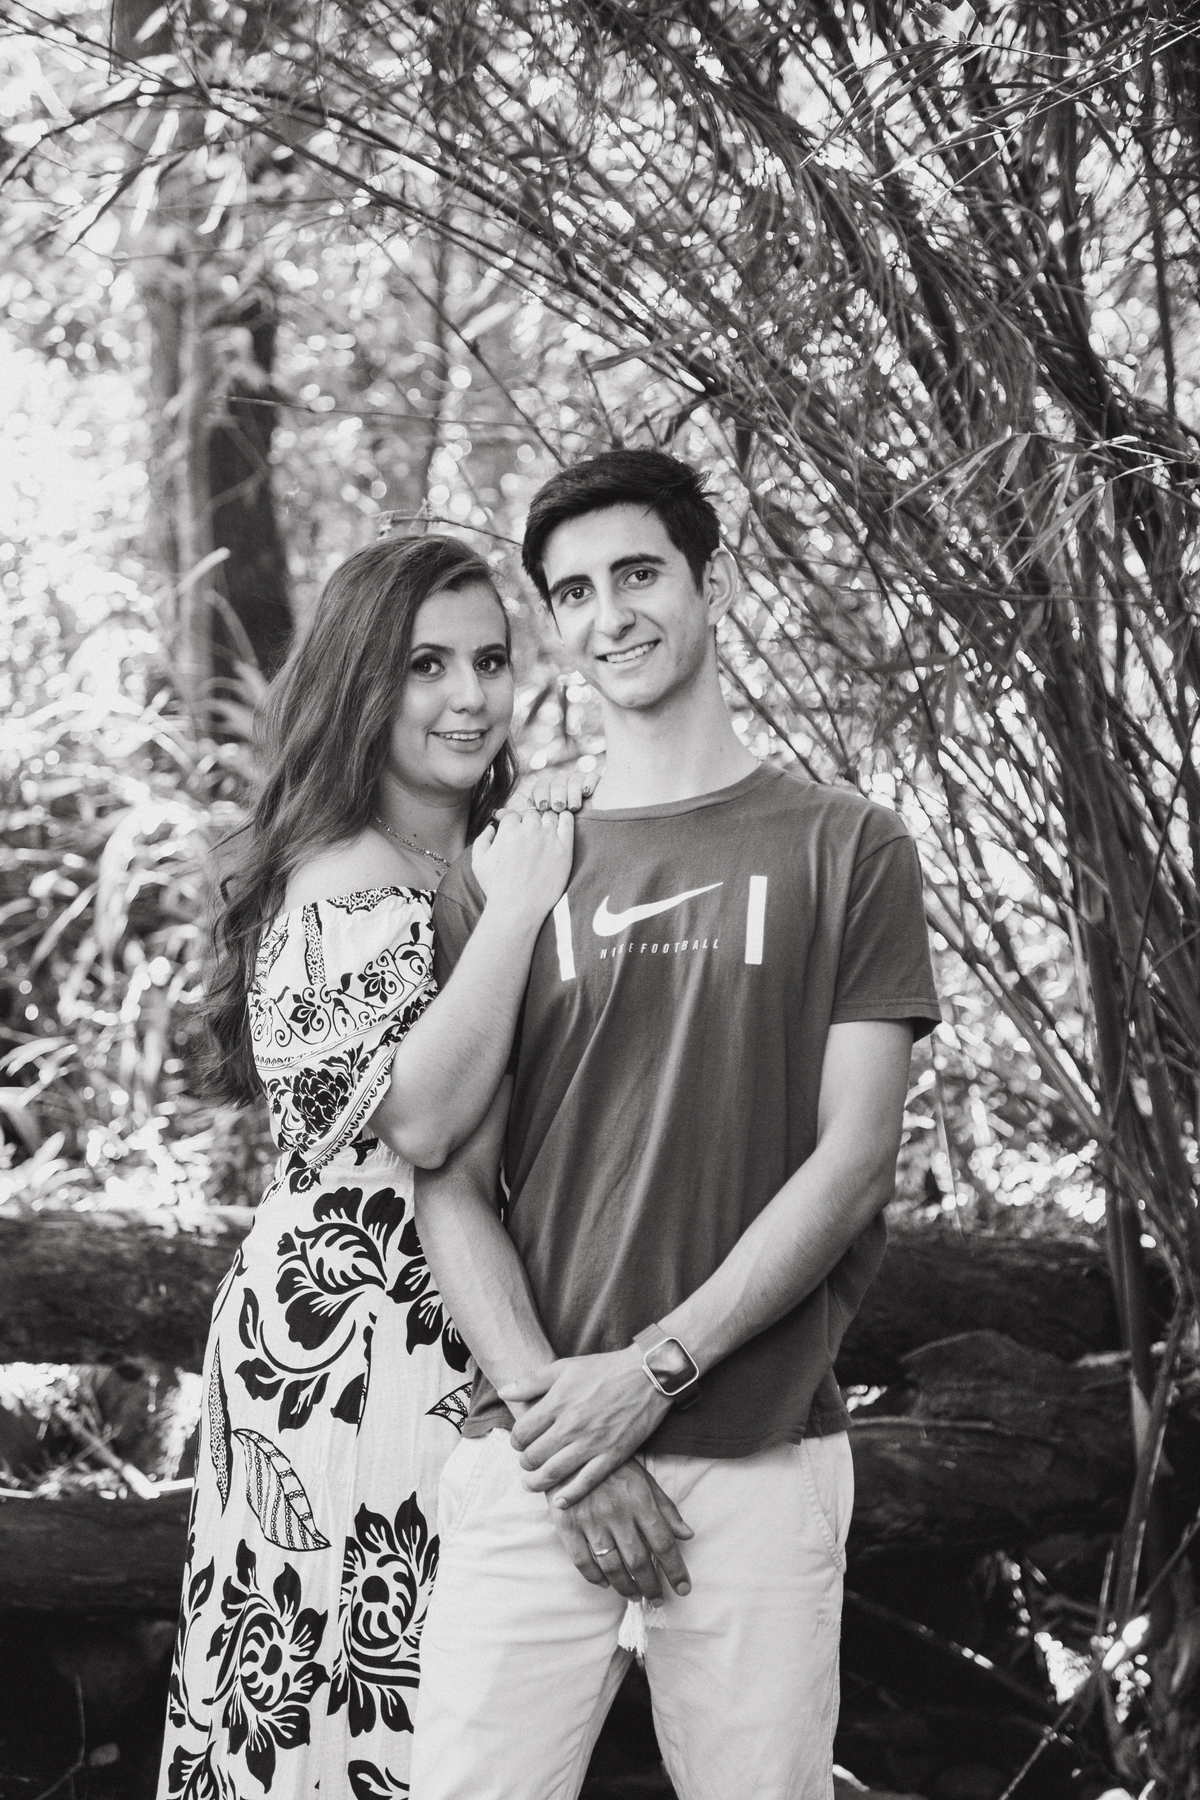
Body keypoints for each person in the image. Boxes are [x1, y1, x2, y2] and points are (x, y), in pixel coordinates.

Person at [408, 450, 941, 1800]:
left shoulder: (849, 846)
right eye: (574, 592)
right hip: (538, 1456)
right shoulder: (518, 863)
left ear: (716, 580)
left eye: (638, 573)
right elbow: (450, 1177)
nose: (611, 615)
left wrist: (650, 1374)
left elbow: (855, 1160)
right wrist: (564, 1426)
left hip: (758, 1453)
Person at [158, 533, 574, 1800]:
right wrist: (517, 909)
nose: (469, 697)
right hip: (346, 1345)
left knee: (442, 1712)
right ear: (360, 684)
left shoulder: (477, 852)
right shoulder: (348, 875)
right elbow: (426, 1124)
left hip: (460, 1326)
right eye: (425, 666)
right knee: (342, 1710)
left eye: (489, 661)